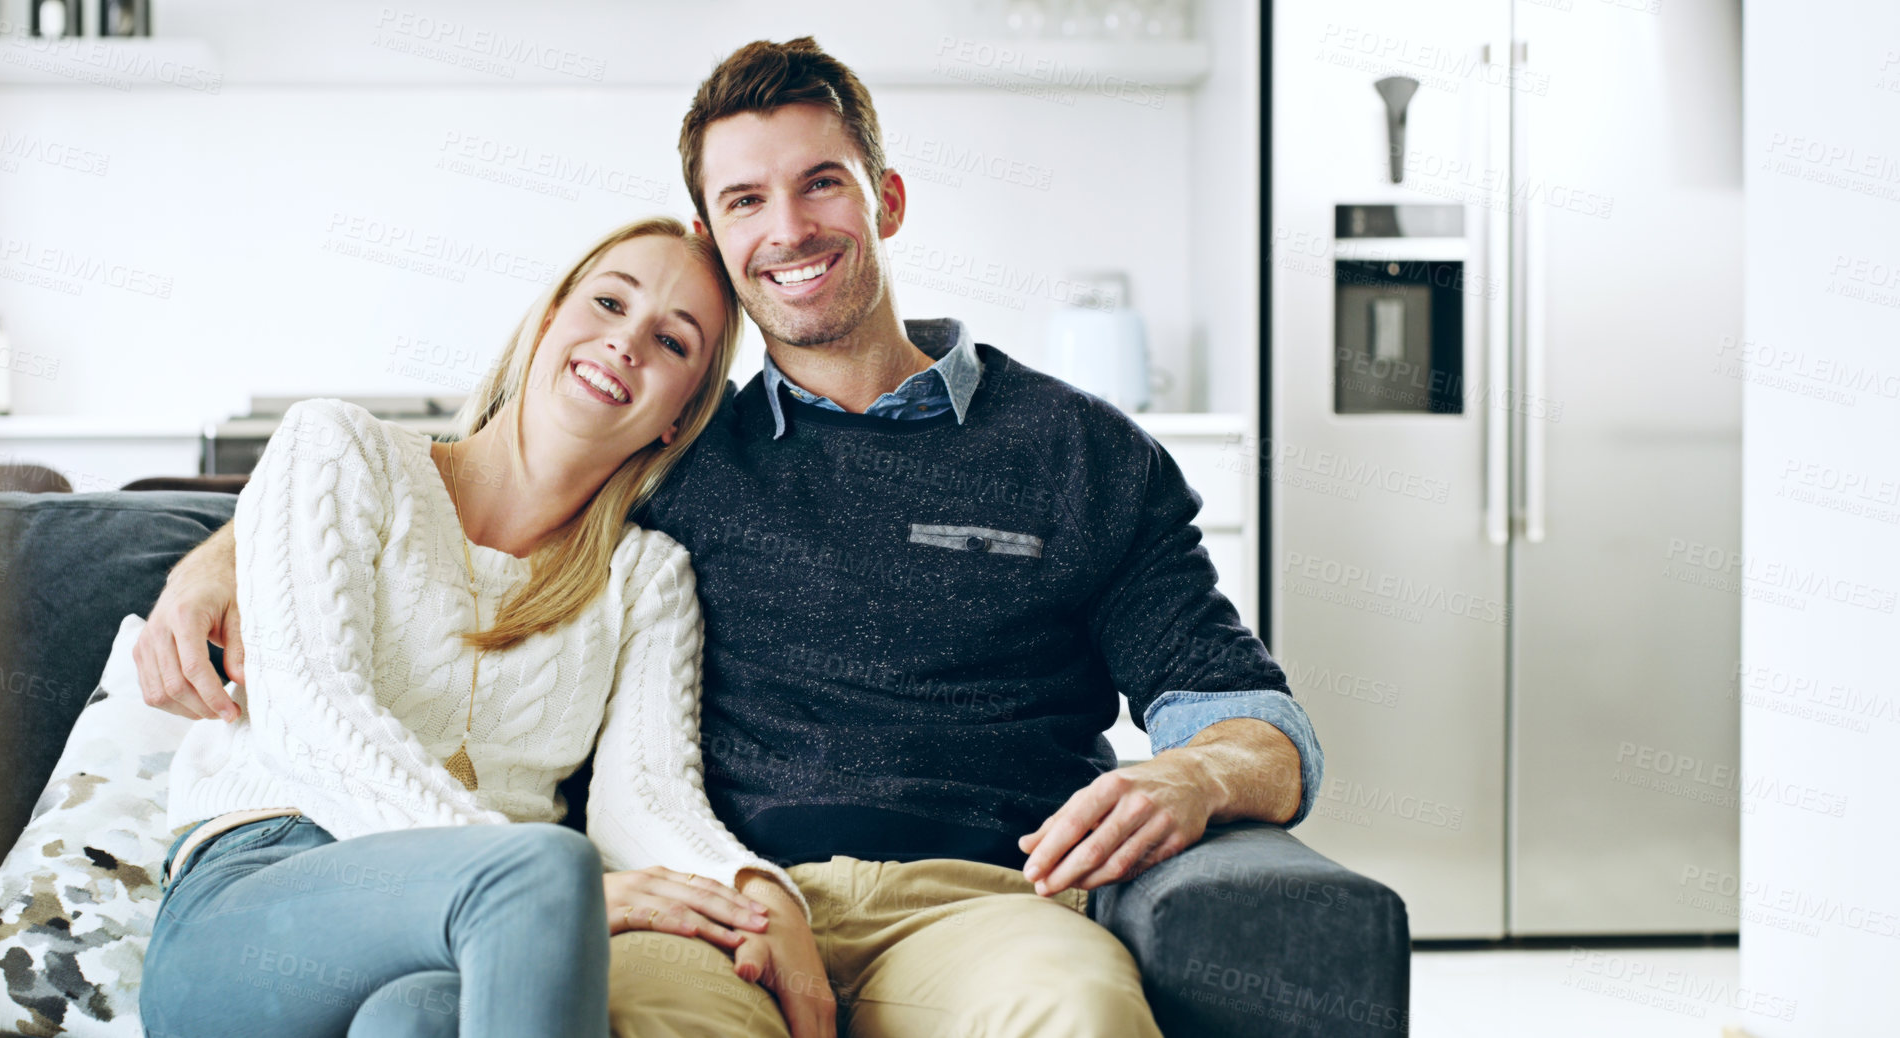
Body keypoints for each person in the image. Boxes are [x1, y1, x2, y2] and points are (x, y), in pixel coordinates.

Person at [139, 38, 1326, 1038]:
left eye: (822, 185)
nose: (789, 229)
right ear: (716, 232)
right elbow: (469, 486)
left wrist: (1197, 770)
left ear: (886, 200)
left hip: (983, 903)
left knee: (1076, 1015)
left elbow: (1253, 718)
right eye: (746, 201)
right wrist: (225, 549)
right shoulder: (676, 453)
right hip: (719, 916)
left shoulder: (1081, 454)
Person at [136, 218, 799, 1038]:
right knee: (548, 864)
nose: (626, 342)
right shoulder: (342, 448)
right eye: (607, 301)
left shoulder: (647, 577)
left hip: (469, 942)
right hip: (261, 887)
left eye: (671, 341)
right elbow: (311, 711)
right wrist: (526, 874)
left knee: (419, 1021)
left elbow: (648, 799)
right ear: (548, 319)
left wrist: (756, 890)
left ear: (679, 417)